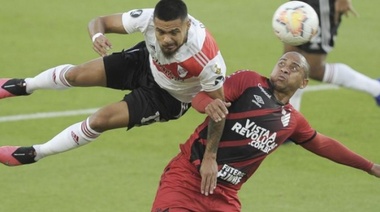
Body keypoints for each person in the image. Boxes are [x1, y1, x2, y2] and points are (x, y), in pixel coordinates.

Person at [0, 0, 229, 168]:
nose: (166, 39)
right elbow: (99, 22)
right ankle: (22, 85)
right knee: (76, 75)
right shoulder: (148, 18)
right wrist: (97, 37)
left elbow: (218, 108)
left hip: (168, 98)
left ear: (187, 25)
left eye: (174, 33)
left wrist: (210, 156)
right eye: (160, 32)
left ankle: (36, 153)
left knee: (100, 120)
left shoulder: (206, 59)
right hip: (144, 63)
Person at [151, 52, 380, 212]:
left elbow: (323, 144)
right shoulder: (249, 82)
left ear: (304, 83)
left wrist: (369, 167)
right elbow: (202, 96)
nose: (284, 69)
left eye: (293, 68)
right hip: (188, 178)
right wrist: (207, 111)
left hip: (225, 196)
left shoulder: (292, 121)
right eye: (282, 63)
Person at [285, 0, 380, 110]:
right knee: (291, 63)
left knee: (314, 68)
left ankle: (376, 89)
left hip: (320, 5)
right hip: (298, 5)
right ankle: (290, 122)